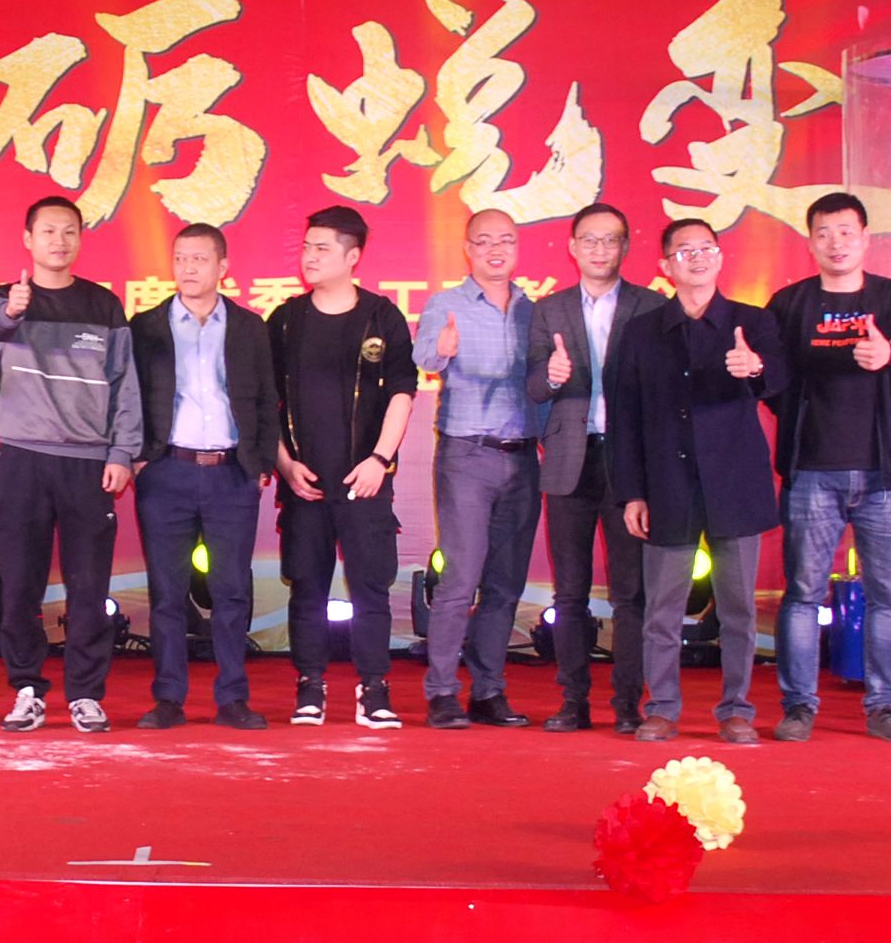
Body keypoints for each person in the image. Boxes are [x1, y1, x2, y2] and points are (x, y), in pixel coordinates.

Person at [608, 218, 787, 744]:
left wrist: (755, 367)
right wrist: (632, 492)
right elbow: (624, 417)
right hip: (668, 483)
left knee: (738, 609)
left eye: (707, 248)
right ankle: (662, 708)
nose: (698, 257)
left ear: (720, 257)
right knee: (663, 609)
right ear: (666, 265)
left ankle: (737, 709)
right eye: (685, 251)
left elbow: (781, 382)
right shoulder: (642, 331)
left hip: (735, 483)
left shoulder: (753, 322)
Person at [766, 192, 891, 745]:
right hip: (813, 470)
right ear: (810, 241)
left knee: (888, 594)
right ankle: (798, 706)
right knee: (802, 593)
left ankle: (885, 707)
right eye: (824, 233)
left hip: (885, 474)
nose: (836, 242)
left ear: (865, 238)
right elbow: (773, 379)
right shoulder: (788, 304)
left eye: (845, 232)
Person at [0, 195, 139, 734]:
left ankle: (86, 695)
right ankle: (26, 689)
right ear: (28, 239)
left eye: (69, 231)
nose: (59, 240)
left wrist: (122, 453)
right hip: (21, 460)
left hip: (87, 465)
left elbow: (125, 386)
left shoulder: (103, 306)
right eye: (48, 231)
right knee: (19, 586)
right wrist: (12, 309)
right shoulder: (5, 299)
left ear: (80, 238)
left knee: (88, 588)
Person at [267, 206, 417, 730]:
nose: (310, 257)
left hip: (365, 481)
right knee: (306, 586)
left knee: (371, 587)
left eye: (322, 248)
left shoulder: (381, 317)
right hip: (304, 483)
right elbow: (264, 403)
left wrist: (380, 459)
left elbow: (402, 392)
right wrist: (285, 464)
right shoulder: (285, 320)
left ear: (353, 257)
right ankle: (310, 686)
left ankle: (374, 689)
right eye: (307, 247)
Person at [131, 221, 282, 731]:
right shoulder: (146, 326)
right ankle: (168, 698)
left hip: (230, 474)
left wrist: (259, 464)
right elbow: (130, 397)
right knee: (167, 593)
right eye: (180, 258)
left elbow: (266, 399)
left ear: (223, 267)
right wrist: (139, 458)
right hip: (166, 473)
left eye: (199, 259)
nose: (188, 268)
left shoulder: (249, 327)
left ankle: (233, 697)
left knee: (231, 590)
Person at [414, 208, 542, 730]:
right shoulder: (445, 305)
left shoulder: (535, 310)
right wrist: (440, 351)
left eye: (506, 240)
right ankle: (442, 691)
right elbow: (424, 356)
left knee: (505, 584)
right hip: (467, 455)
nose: (496, 249)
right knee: (460, 579)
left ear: (517, 248)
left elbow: (546, 381)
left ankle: (489, 692)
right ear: (468, 249)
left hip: (524, 457)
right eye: (484, 241)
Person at [528, 202, 647, 735]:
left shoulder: (650, 306)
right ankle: (573, 701)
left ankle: (628, 705)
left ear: (625, 247)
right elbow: (532, 388)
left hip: (630, 465)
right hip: (569, 462)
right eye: (590, 240)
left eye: (611, 239)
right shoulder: (548, 310)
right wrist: (552, 376)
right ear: (573, 247)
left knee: (630, 594)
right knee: (570, 593)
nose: (600, 249)